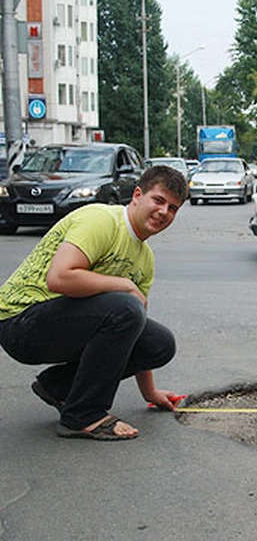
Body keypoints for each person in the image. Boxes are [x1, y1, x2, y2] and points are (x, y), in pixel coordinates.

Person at [0, 165, 189, 441]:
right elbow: (60, 277)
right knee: (126, 306)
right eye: (158, 200)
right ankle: (83, 415)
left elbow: (133, 326)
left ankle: (59, 387)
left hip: (61, 323)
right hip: (19, 322)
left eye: (172, 208)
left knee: (159, 344)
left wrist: (150, 394)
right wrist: (124, 285)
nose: (163, 212)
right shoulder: (101, 220)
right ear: (137, 194)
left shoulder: (145, 258)